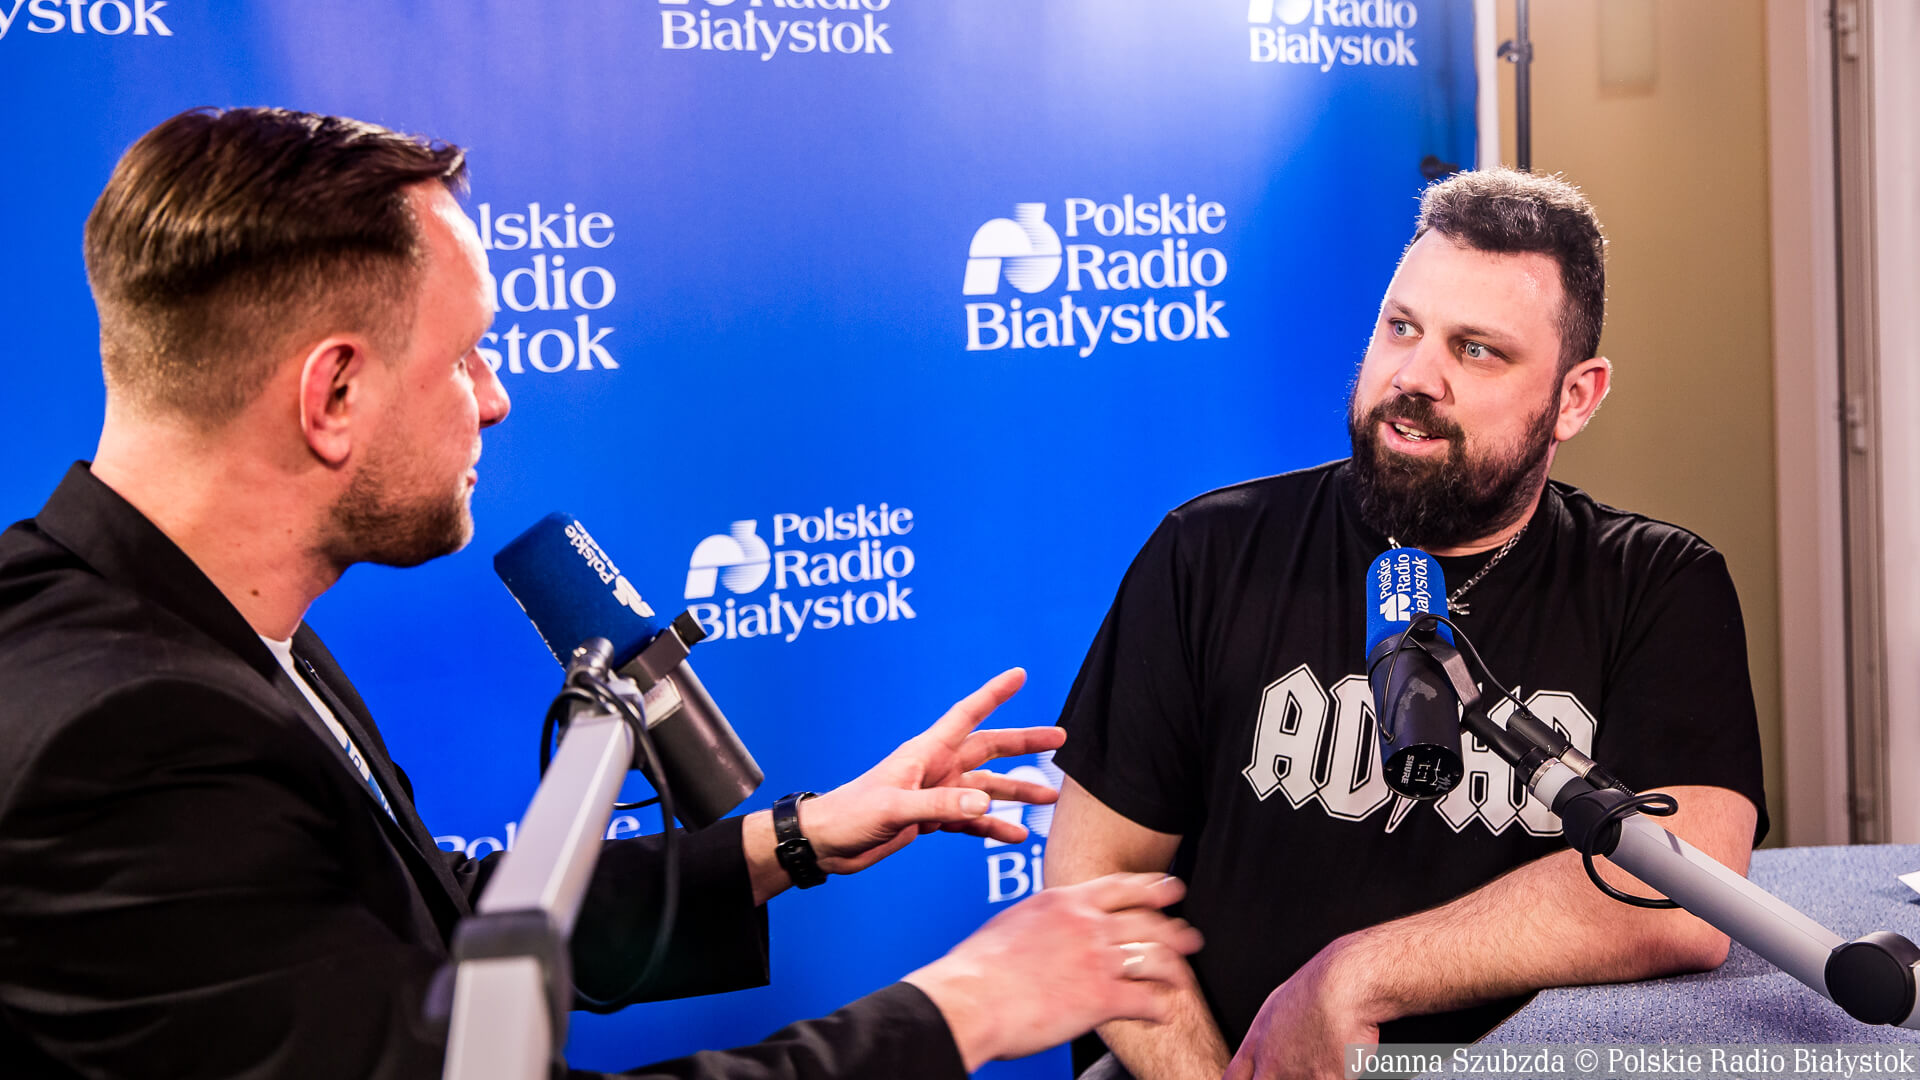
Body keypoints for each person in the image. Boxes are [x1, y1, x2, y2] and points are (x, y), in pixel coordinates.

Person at [0, 106, 1202, 1080]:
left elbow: (432, 931)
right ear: (334, 396)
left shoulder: (187, 626)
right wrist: (966, 1008)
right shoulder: (128, 743)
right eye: (465, 354)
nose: (497, 397)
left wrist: (791, 840)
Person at [1044, 168, 1768, 1080]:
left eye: (1477, 350)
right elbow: (1096, 881)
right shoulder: (1209, 553)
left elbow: (1689, 896)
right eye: (1401, 327)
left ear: (1575, 398)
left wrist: (1356, 974)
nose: (1414, 376)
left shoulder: (1658, 584)